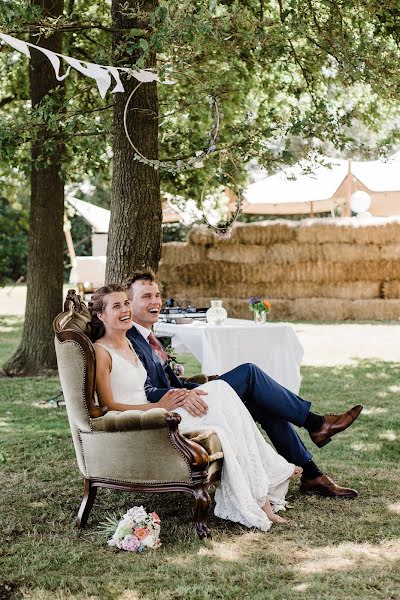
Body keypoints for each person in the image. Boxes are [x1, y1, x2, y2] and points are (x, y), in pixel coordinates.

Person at [125, 269, 363, 499]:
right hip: (175, 410)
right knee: (249, 373)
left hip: (188, 399)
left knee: (266, 406)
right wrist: (182, 393)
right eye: (146, 296)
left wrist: (198, 384)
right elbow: (143, 390)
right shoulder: (130, 340)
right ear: (129, 304)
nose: (155, 301)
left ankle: (312, 474)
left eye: (157, 295)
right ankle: (316, 424)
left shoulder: (148, 336)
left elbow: (168, 379)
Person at [89, 284, 306, 532]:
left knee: (223, 396)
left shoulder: (128, 344)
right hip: (147, 419)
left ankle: (264, 494)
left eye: (126, 303)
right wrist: (158, 405)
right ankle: (272, 477)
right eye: (116, 306)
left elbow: (148, 385)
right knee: (223, 395)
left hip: (161, 409)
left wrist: (178, 394)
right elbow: (108, 406)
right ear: (100, 315)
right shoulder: (100, 351)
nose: (125, 309)